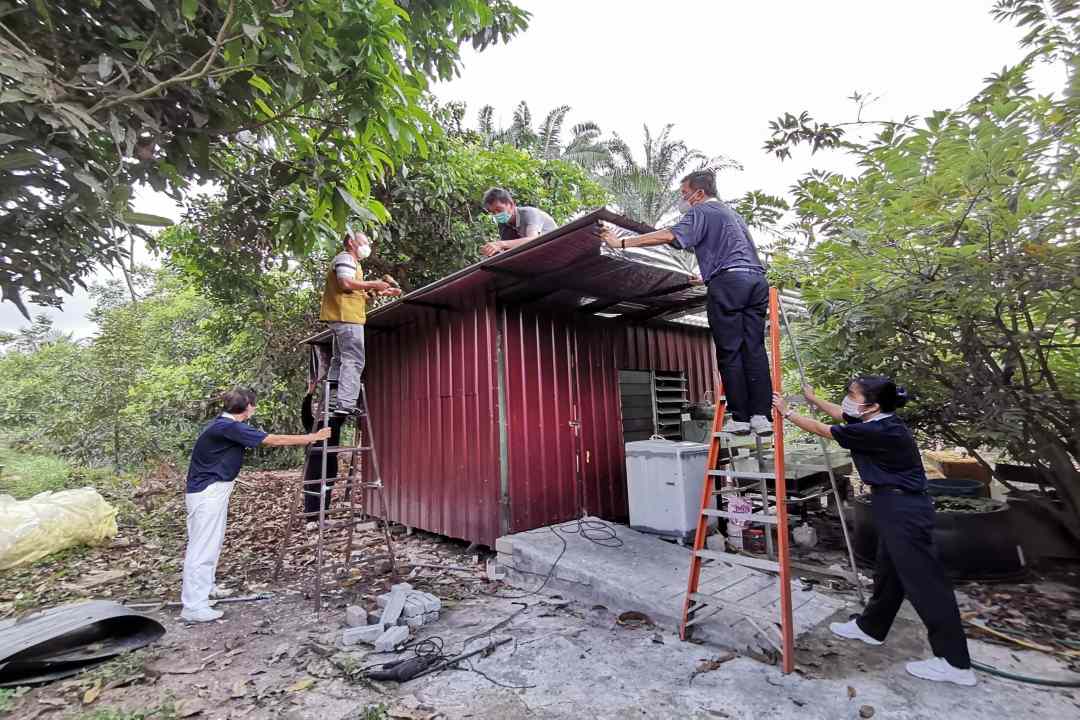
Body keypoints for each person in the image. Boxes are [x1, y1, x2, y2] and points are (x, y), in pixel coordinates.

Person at [773, 376, 976, 687]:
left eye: (852, 395)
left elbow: (824, 430)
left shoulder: (883, 430)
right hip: (892, 504)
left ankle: (955, 663)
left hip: (904, 509)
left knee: (925, 582)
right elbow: (844, 417)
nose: (847, 399)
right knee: (889, 572)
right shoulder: (876, 419)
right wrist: (813, 400)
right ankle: (871, 627)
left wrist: (787, 413)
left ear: (872, 405)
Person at [600, 169, 771, 435]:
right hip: (756, 283)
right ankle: (761, 417)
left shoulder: (702, 211)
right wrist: (707, 277)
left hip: (729, 284)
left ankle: (740, 418)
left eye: (684, 194)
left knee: (730, 350)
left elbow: (669, 235)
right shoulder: (733, 216)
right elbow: (735, 255)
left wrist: (620, 242)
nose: (683, 200)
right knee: (754, 348)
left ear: (700, 193)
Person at [181, 388, 331, 623]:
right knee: (202, 547)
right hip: (208, 492)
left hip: (211, 491)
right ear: (246, 407)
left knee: (212, 541)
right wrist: (313, 437)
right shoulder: (229, 426)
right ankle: (193, 606)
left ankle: (206, 589)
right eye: (253, 404)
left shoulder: (225, 425)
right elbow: (273, 440)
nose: (255, 408)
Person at [319, 229, 401, 418]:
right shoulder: (346, 259)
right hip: (347, 317)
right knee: (353, 359)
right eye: (363, 243)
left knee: (339, 360)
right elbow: (345, 284)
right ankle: (345, 403)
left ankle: (332, 401)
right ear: (350, 243)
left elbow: (356, 294)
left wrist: (382, 291)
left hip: (342, 317)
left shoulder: (352, 264)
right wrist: (374, 283)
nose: (367, 247)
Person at [480, 187, 556, 257]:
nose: (497, 214)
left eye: (499, 209)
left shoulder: (529, 213)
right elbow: (510, 251)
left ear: (511, 204)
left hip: (555, 251)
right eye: (493, 212)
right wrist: (494, 251)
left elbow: (533, 240)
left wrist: (501, 244)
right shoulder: (503, 225)